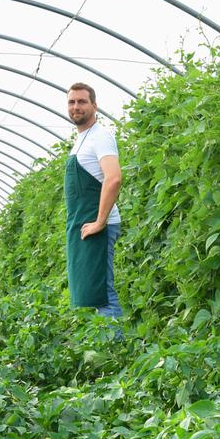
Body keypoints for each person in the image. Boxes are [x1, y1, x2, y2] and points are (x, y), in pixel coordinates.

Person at [64, 82, 123, 321]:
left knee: (102, 291)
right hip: (85, 224)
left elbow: (114, 178)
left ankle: (116, 349)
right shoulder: (81, 139)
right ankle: (107, 344)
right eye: (71, 102)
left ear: (94, 106)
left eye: (82, 101)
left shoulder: (101, 137)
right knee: (93, 291)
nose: (76, 107)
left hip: (99, 226)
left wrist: (100, 221)